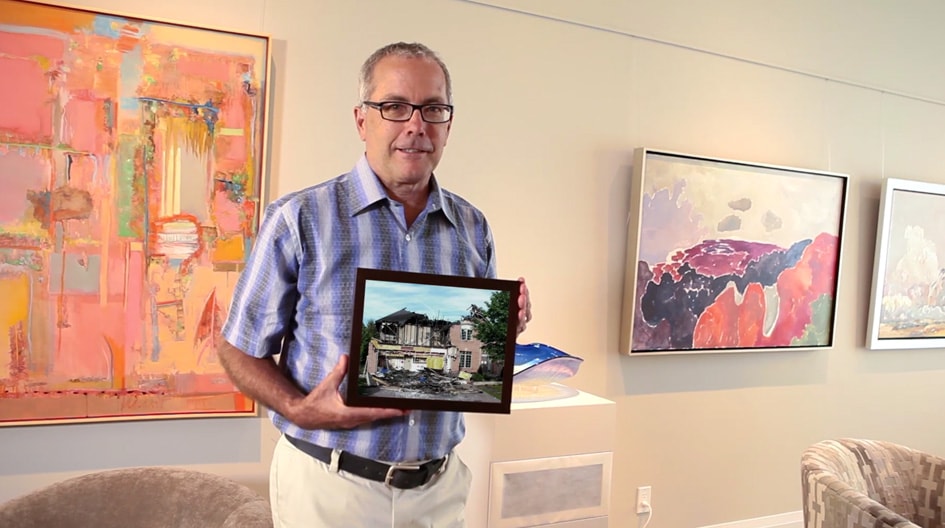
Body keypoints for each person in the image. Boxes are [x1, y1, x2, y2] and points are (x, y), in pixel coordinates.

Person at [219, 42, 532, 527]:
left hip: (438, 490)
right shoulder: (300, 219)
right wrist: (298, 409)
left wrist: (504, 329)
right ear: (362, 120)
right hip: (328, 488)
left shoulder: (473, 227)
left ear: (448, 124)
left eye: (433, 108)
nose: (416, 125)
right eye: (394, 107)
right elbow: (237, 348)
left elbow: (467, 355)